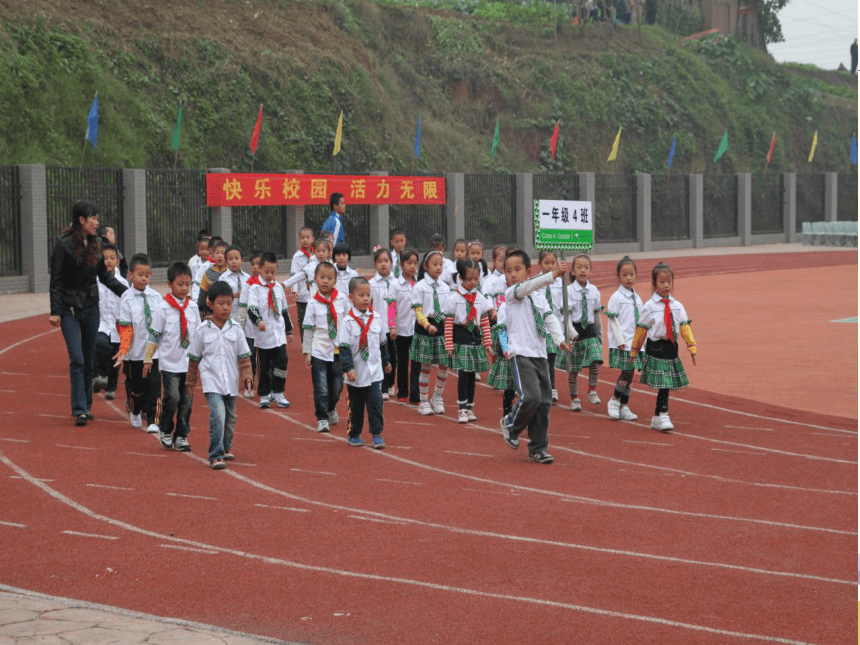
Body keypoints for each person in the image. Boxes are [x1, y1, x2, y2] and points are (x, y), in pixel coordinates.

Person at [49, 202, 128, 426]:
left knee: (89, 359)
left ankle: (86, 407)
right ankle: (79, 408)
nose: (97, 222)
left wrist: (130, 294)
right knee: (77, 359)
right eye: (93, 218)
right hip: (70, 309)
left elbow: (106, 277)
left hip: (92, 307)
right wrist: (55, 311)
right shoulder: (63, 245)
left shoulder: (98, 244)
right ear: (82, 220)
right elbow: (56, 280)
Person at [499, 250, 569, 464]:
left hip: (539, 353)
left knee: (544, 402)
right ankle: (510, 424)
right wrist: (553, 274)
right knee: (531, 396)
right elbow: (527, 286)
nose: (513, 274)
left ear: (528, 271)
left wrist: (560, 340)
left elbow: (549, 318)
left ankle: (538, 448)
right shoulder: (513, 293)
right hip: (520, 353)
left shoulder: (538, 296)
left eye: (517, 270)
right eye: (508, 271)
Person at [186, 281, 253, 469]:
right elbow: (193, 359)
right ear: (210, 303)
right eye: (221, 303)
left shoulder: (236, 329)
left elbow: (244, 357)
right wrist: (190, 384)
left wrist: (247, 377)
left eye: (229, 303)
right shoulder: (202, 330)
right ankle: (215, 455)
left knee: (230, 418)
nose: (225, 308)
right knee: (218, 414)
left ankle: (225, 446)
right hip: (211, 381)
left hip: (230, 381)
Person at [630, 262, 698, 432]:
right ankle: (663, 414)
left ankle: (656, 417)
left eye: (669, 281)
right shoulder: (649, 307)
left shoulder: (677, 306)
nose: (666, 285)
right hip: (656, 348)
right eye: (662, 282)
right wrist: (634, 350)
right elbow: (641, 330)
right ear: (654, 284)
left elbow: (684, 327)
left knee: (666, 383)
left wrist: (691, 346)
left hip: (671, 348)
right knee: (664, 383)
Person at [151, 262, 200, 451]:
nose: (184, 288)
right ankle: (165, 428)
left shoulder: (193, 307)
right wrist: (149, 358)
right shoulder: (162, 308)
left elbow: (198, 335)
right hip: (170, 363)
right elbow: (154, 335)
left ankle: (181, 435)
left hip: (189, 363)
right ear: (169, 284)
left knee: (187, 401)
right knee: (172, 397)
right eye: (180, 284)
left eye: (188, 284)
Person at [114, 254, 164, 433]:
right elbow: (126, 327)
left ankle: (153, 419)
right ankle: (135, 409)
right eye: (140, 274)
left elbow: (162, 323)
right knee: (136, 387)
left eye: (147, 275)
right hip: (134, 353)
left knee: (154, 387)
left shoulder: (157, 297)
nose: (144, 278)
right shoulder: (126, 299)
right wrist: (123, 350)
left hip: (154, 353)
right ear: (130, 275)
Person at [340, 276, 391, 449]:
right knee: (356, 408)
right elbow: (345, 348)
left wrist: (386, 362)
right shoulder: (347, 322)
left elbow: (382, 343)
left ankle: (377, 434)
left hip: (375, 372)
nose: (366, 298)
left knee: (376, 404)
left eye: (368, 295)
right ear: (351, 298)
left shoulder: (376, 318)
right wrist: (348, 369)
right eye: (361, 295)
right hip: (356, 374)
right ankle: (354, 433)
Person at [444, 259, 493, 423]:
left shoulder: (480, 298)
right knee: (463, 374)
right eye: (469, 279)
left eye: (475, 279)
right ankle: (462, 408)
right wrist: (449, 344)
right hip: (461, 337)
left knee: (472, 375)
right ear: (461, 278)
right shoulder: (453, 298)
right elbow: (449, 323)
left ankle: (470, 407)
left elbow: (485, 320)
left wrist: (487, 342)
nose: (472, 282)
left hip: (475, 338)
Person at [302, 261, 348, 433]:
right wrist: (307, 352)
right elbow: (308, 328)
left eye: (329, 278)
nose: (325, 281)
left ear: (335, 281)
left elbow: (349, 322)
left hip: (338, 351)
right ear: (315, 279)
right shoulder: (312, 304)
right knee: (321, 387)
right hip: (319, 350)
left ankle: (330, 408)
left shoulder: (342, 299)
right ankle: (322, 417)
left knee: (336, 388)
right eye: (322, 277)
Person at [247, 252, 293, 409]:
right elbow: (251, 308)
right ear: (260, 269)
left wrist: (289, 331)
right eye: (266, 271)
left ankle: (278, 391)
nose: (269, 275)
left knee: (281, 364)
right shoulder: (255, 289)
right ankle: (265, 394)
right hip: (263, 336)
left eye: (273, 272)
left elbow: (285, 311)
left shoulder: (278, 288)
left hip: (278, 335)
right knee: (264, 367)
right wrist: (258, 321)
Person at [409, 250, 451, 416]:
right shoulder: (419, 286)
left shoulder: (446, 287)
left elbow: (448, 311)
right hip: (425, 328)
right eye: (434, 264)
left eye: (440, 264)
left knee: (444, 366)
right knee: (425, 367)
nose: (438, 267)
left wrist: (447, 329)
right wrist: (427, 326)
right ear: (426, 266)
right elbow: (418, 311)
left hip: (440, 327)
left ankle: (437, 397)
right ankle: (424, 400)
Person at [604, 256, 644, 421]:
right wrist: (620, 340)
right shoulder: (616, 297)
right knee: (626, 373)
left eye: (631, 274)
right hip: (623, 342)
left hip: (635, 344)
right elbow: (613, 321)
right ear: (619, 276)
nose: (628, 278)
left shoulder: (637, 298)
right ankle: (614, 400)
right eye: (624, 274)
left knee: (630, 375)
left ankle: (624, 405)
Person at [565, 254, 604, 412]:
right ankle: (574, 398)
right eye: (579, 267)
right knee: (573, 369)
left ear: (591, 271)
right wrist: (571, 333)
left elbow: (596, 314)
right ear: (573, 271)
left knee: (596, 359)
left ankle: (592, 389)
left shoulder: (594, 290)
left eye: (586, 267)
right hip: (575, 332)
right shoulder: (568, 291)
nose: (583, 270)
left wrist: (599, 334)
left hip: (590, 331)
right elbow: (565, 316)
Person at [93, 244, 128, 401]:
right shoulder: (95, 280)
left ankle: (111, 388)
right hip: (101, 322)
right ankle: (102, 374)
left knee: (115, 354)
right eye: (105, 258)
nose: (108, 261)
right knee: (100, 344)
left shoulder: (123, 283)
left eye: (112, 258)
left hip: (117, 324)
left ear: (118, 262)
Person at [391, 248, 420, 404]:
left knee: (416, 363)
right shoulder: (395, 284)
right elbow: (391, 307)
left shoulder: (419, 284)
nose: (412, 266)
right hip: (401, 329)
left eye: (415, 263)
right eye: (409, 263)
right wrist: (392, 326)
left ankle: (415, 395)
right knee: (402, 362)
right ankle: (402, 391)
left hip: (417, 330)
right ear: (402, 264)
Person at [368, 247, 397, 399]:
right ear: (375, 264)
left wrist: (394, 325)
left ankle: (391, 384)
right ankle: (383, 387)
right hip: (378, 327)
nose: (383, 264)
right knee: (381, 356)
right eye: (380, 262)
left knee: (393, 357)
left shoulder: (396, 282)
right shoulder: (372, 284)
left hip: (392, 326)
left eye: (386, 261)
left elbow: (395, 304)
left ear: (391, 263)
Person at [236, 249, 262, 397]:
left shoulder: (270, 285)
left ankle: (265, 386)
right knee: (251, 357)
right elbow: (243, 308)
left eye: (258, 264)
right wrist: (240, 326)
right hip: (249, 330)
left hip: (264, 329)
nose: (255, 267)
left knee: (264, 360)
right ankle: (249, 383)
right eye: (253, 265)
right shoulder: (247, 285)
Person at [538, 251, 563, 403]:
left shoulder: (560, 283)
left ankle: (552, 388)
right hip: (541, 328)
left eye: (553, 263)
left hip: (554, 328)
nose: (550, 266)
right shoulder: (537, 282)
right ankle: (543, 387)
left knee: (551, 360)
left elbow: (562, 306)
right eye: (546, 263)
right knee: (542, 361)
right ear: (540, 264)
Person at [487, 300, 516, 419]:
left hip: (526, 347)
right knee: (510, 386)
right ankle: (507, 415)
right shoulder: (505, 306)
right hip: (511, 346)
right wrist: (505, 349)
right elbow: (502, 329)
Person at [289, 227, 315, 341]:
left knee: (315, 316)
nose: (305, 240)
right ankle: (305, 341)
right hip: (302, 294)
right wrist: (295, 290)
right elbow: (294, 274)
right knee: (302, 318)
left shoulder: (316, 255)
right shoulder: (297, 256)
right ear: (299, 240)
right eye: (303, 238)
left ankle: (315, 339)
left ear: (312, 239)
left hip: (315, 293)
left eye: (308, 237)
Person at [197, 239, 228, 315]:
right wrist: (202, 310)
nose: (220, 255)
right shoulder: (208, 273)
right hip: (211, 310)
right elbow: (203, 293)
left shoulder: (230, 273)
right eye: (217, 253)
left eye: (223, 253)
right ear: (212, 255)